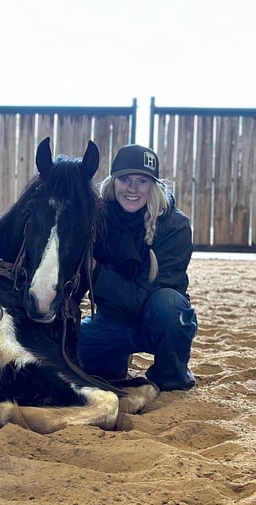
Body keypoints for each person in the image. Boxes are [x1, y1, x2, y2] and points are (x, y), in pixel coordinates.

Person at [77, 143, 197, 391]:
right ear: (113, 182)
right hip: (111, 320)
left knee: (169, 306)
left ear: (154, 185)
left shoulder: (175, 226)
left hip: (157, 322)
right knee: (70, 355)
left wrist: (95, 270)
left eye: (142, 181)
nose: (132, 188)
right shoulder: (96, 218)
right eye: (125, 179)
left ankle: (171, 376)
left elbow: (144, 298)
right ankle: (116, 357)